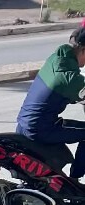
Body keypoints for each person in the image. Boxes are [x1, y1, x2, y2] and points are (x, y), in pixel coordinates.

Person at [16, 28, 85, 183]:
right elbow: (77, 88)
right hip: (41, 129)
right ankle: (75, 182)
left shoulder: (56, 59)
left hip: (25, 123)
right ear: (83, 50)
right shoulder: (69, 78)